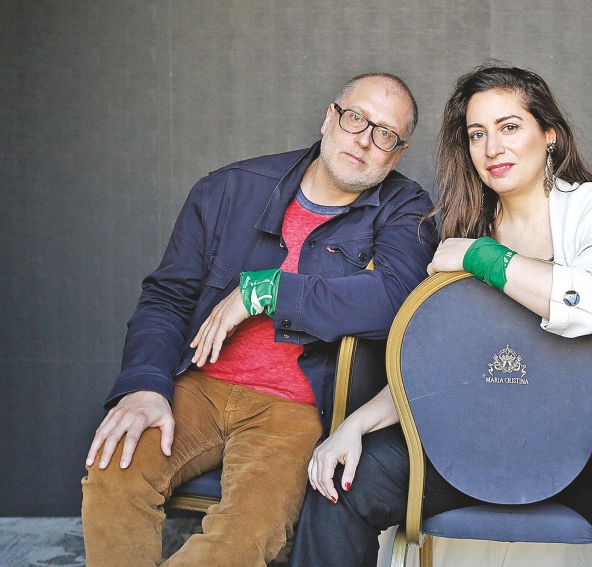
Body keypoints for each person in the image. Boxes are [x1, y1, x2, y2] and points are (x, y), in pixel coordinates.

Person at [289, 65, 592, 566]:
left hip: (591, 454)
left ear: (549, 134)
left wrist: (481, 257)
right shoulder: (465, 227)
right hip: (469, 444)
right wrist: (354, 425)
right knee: (338, 485)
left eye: (509, 127)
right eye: (477, 134)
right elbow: (433, 365)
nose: (492, 148)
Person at [80, 72, 436, 566]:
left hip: (295, 410)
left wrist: (267, 291)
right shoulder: (229, 189)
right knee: (113, 475)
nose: (364, 140)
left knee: (243, 537)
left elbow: (397, 299)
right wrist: (145, 385)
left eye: (385, 134)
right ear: (329, 118)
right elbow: (166, 298)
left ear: (397, 154)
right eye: (356, 119)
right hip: (198, 387)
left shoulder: (406, 210)